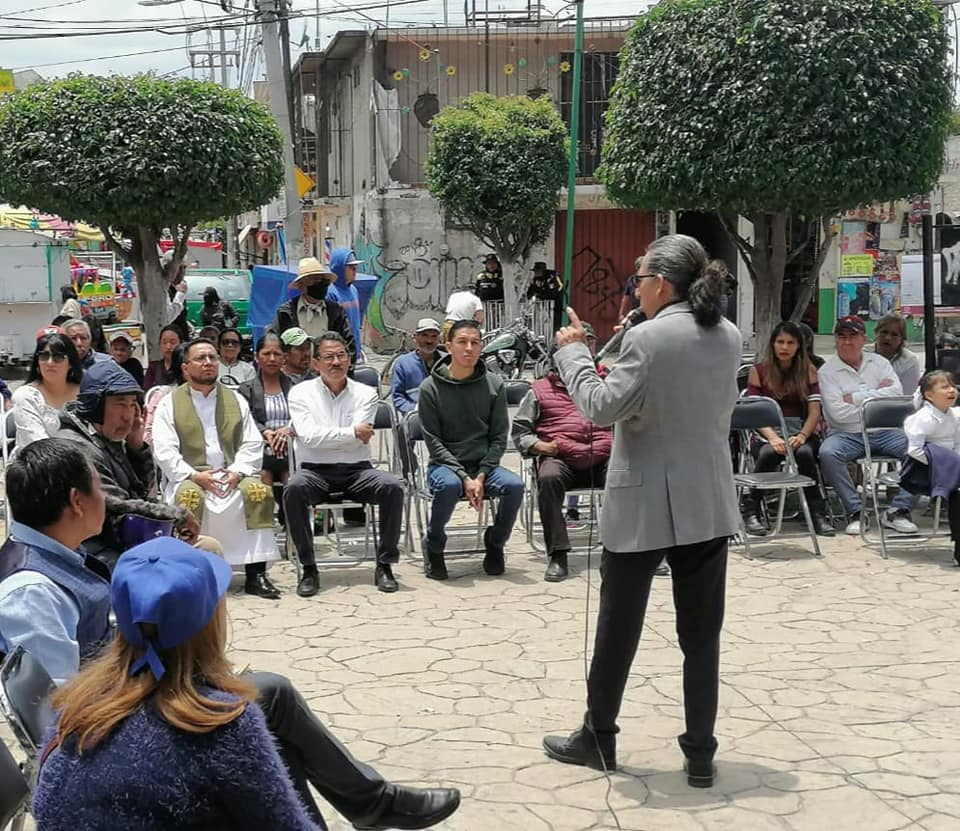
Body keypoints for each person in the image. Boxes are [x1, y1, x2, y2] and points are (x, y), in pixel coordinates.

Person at [1, 445, 460, 831]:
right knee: (253, 717)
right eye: (100, 487)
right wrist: (173, 685)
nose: (108, 497)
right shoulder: (30, 589)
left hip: (127, 696)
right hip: (111, 729)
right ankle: (371, 804)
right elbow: (58, 711)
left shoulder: (57, 556)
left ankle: (370, 803)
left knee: (269, 697)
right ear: (77, 501)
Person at [542, 234, 741, 790]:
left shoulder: (650, 338)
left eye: (639, 277)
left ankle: (598, 736)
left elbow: (600, 408)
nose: (634, 286)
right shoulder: (727, 334)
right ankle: (700, 751)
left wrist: (573, 351)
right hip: (706, 499)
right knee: (702, 637)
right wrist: (624, 336)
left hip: (645, 498)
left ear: (660, 283)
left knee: (618, 628)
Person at [152, 338, 282, 599]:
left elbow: (251, 441)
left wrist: (238, 471)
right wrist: (194, 475)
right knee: (188, 497)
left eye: (213, 357)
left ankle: (256, 574)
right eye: (201, 358)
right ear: (186, 367)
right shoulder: (169, 403)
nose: (209, 363)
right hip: (191, 475)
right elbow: (163, 449)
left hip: (233, 472)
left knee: (258, 491)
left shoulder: (234, 399)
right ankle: (193, 575)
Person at [285, 332, 405, 596]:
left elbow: (323, 438)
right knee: (293, 488)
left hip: (357, 471)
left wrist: (326, 436)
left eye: (341, 356)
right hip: (314, 472)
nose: (336, 362)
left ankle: (384, 564)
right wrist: (351, 432)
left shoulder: (366, 393)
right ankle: (308, 567)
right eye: (328, 357)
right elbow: (308, 436)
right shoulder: (300, 393)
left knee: (392, 486)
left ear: (350, 360)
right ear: (316, 363)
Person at [56, 361, 203, 569]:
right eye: (120, 403)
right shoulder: (76, 447)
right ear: (95, 405)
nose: (129, 415)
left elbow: (145, 495)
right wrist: (177, 515)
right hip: (90, 554)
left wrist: (137, 447)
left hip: (123, 543)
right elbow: (115, 504)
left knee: (207, 550)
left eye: (133, 404)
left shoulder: (105, 437)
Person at [417, 319, 524, 580]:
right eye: (462, 342)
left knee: (515, 486)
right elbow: (433, 441)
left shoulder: (494, 384)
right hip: (446, 466)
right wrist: (463, 477)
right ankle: (434, 545)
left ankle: (495, 542)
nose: (469, 348)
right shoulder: (430, 388)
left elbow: (499, 437)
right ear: (448, 346)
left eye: (475, 343)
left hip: (483, 466)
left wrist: (481, 474)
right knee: (449, 486)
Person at [511, 350, 612, 581]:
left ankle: (623, 553)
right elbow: (520, 433)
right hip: (560, 456)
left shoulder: (606, 385)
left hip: (604, 456)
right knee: (548, 478)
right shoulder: (538, 391)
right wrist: (540, 446)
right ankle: (558, 554)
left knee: (630, 476)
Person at [817, 315, 918, 536]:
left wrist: (853, 397)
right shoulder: (826, 372)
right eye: (841, 336)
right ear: (835, 340)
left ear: (863, 339)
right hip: (846, 433)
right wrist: (875, 401)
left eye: (853, 336)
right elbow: (838, 414)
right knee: (828, 453)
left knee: (922, 451)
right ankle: (856, 511)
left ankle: (898, 510)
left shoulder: (879, 363)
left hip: (885, 432)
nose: (847, 341)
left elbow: (896, 395)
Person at [743, 321, 834, 537]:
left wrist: (803, 435)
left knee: (804, 454)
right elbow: (755, 413)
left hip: (801, 430)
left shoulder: (809, 371)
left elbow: (814, 412)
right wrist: (773, 437)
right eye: (780, 342)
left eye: (790, 343)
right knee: (768, 453)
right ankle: (751, 508)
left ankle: (817, 512)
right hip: (766, 430)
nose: (784, 347)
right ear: (773, 344)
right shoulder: (758, 371)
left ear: (799, 346)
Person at [899, 370, 960, 566]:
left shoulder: (955, 415)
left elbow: (957, 445)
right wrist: (942, 464)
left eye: (953, 386)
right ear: (929, 395)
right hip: (922, 469)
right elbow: (915, 451)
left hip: (950, 466)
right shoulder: (923, 418)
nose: (951, 390)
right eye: (944, 387)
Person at [238, 333, 295, 491]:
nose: (271, 358)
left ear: (284, 358)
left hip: (292, 445)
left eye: (277, 354)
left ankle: (291, 514)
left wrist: (288, 430)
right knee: (262, 479)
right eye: (266, 354)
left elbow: (304, 415)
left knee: (293, 480)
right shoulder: (245, 389)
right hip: (260, 446)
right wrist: (266, 432)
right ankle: (264, 514)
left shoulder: (297, 386)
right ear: (256, 357)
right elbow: (246, 418)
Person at [270, 257, 356, 362]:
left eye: (322, 280)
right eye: (314, 280)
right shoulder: (286, 312)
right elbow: (274, 342)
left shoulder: (336, 311)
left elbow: (349, 345)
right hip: (296, 374)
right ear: (301, 285)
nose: (320, 284)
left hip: (328, 372)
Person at [12, 331, 82, 453]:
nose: (50, 363)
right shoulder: (25, 396)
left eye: (58, 357)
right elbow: (38, 444)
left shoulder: (85, 392)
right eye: (44, 356)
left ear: (70, 362)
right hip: (39, 464)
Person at [390, 318, 442, 415]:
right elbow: (397, 397)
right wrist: (416, 409)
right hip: (415, 416)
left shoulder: (447, 361)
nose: (429, 340)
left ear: (439, 339)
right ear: (415, 337)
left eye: (434, 336)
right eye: (424, 335)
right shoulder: (402, 364)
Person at [143, 343, 186, 447]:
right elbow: (149, 435)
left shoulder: (219, 397)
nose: (207, 364)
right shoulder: (163, 396)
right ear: (184, 368)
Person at [327, 247, 365, 359]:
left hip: (356, 351)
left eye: (355, 267)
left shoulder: (353, 290)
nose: (355, 270)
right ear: (340, 268)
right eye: (351, 267)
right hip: (340, 355)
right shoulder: (330, 293)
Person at [872, 312, 922, 394]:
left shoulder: (909, 361)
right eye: (884, 332)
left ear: (902, 338)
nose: (888, 338)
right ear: (876, 332)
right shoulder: (864, 355)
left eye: (894, 334)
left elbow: (907, 397)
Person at [143, 324, 184, 391]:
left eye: (172, 342)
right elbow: (147, 392)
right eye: (164, 342)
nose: (168, 346)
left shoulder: (186, 367)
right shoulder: (153, 368)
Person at [526, 261, 564, 331]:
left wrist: (539, 295)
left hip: (556, 304)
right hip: (542, 306)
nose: (535, 273)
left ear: (542, 271)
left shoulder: (553, 277)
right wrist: (532, 296)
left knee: (555, 322)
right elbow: (530, 292)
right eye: (535, 271)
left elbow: (554, 292)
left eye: (537, 271)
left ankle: (555, 335)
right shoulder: (536, 279)